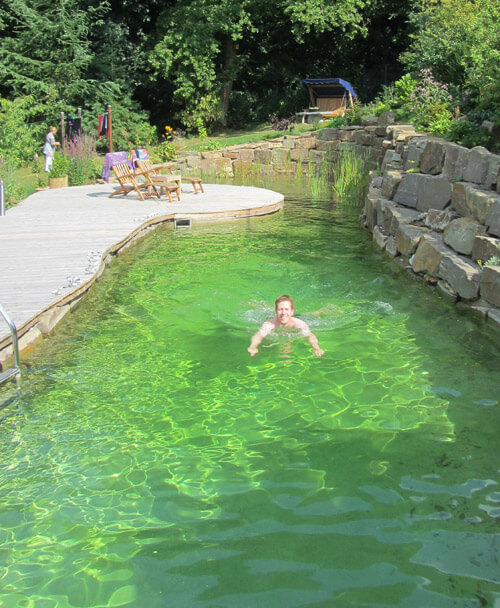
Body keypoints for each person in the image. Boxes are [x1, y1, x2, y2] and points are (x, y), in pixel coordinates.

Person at [248, 295, 324, 357]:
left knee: (311, 316)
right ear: (276, 311)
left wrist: (316, 348)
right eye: (280, 309)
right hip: (274, 317)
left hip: (298, 318)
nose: (283, 312)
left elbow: (309, 335)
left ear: (292, 311)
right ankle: (260, 305)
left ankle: (319, 312)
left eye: (286, 309)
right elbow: (259, 335)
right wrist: (253, 346)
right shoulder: (270, 324)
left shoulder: (299, 324)